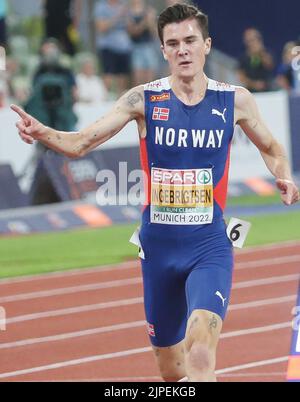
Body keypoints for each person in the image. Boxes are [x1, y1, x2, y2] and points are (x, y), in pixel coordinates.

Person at [11, 3, 299, 382]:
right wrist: (41, 132)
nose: (183, 49)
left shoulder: (235, 100)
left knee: (199, 353)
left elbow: (272, 148)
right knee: (171, 370)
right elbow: (81, 143)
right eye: (173, 43)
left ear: (207, 45)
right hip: (159, 248)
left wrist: (283, 175)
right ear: (163, 50)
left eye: (190, 41)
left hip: (209, 246)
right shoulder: (144, 99)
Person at [94, 0, 132, 98]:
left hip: (124, 46)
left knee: (122, 76)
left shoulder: (124, 4)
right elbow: (101, 27)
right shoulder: (101, 6)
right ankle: (105, 99)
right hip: (107, 46)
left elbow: (130, 28)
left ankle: (121, 100)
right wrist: (117, 16)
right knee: (108, 74)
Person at [127, 0, 158, 86]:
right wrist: (145, 22)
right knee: (138, 78)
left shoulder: (149, 11)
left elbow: (154, 33)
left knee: (150, 79)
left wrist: (150, 22)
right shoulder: (129, 13)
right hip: (136, 47)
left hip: (149, 46)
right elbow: (133, 31)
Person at [238, 28, 274, 92]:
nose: (251, 43)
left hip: (268, 90)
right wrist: (254, 84)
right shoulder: (243, 57)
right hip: (251, 91)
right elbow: (241, 77)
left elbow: (270, 65)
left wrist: (261, 52)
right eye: (248, 40)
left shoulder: (266, 52)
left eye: (253, 39)